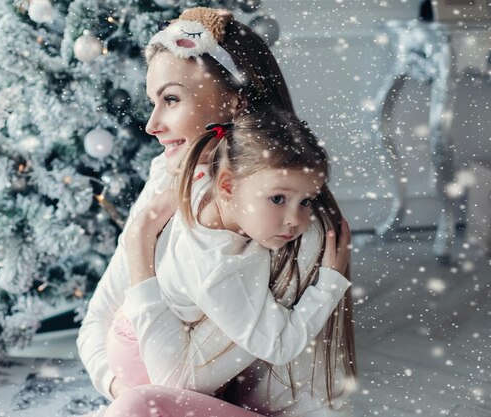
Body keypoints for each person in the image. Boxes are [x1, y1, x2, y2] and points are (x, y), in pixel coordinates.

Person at [77, 7, 357, 416]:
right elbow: (97, 320)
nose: (152, 124)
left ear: (234, 102)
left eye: (171, 99)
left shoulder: (281, 223)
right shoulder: (167, 181)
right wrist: (120, 388)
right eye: (153, 101)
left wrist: (140, 242)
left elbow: (175, 381)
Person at [106, 107, 350, 390]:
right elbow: (279, 345)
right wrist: (329, 284)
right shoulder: (220, 270)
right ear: (227, 185)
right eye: (278, 198)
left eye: (306, 201)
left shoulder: (204, 187)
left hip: (126, 333)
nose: (295, 220)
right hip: (141, 359)